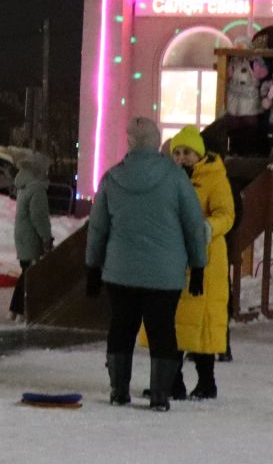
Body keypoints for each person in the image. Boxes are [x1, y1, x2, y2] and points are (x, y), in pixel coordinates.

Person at [85, 115, 208, 411]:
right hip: (164, 275)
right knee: (162, 330)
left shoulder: (112, 177)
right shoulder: (176, 177)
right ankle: (160, 396)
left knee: (121, 327)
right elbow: (193, 225)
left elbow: (98, 228)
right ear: (156, 143)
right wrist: (199, 264)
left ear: (130, 141)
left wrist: (92, 267)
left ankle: (118, 390)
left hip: (120, 271)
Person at [166, 126, 233, 400]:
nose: (182, 158)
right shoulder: (169, 179)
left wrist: (208, 227)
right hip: (175, 258)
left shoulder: (215, 178)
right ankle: (173, 379)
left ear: (199, 154)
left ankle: (206, 380)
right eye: (177, 153)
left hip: (206, 261)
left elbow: (226, 214)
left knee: (201, 322)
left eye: (188, 152)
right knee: (175, 321)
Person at [10, 154, 56, 321]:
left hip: (22, 236)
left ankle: (16, 310)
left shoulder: (25, 188)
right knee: (30, 275)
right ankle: (20, 310)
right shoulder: (37, 190)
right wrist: (46, 238)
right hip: (31, 238)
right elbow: (39, 217)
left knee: (26, 273)